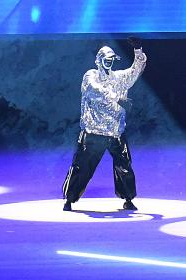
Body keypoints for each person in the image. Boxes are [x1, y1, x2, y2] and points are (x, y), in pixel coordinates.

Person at [62, 37, 147, 211]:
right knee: (82, 168)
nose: (109, 62)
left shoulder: (119, 78)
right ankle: (69, 199)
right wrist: (117, 98)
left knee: (124, 167)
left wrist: (138, 50)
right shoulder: (91, 75)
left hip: (116, 133)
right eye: (106, 59)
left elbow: (135, 70)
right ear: (99, 60)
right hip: (94, 134)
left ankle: (128, 198)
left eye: (111, 59)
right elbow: (95, 90)